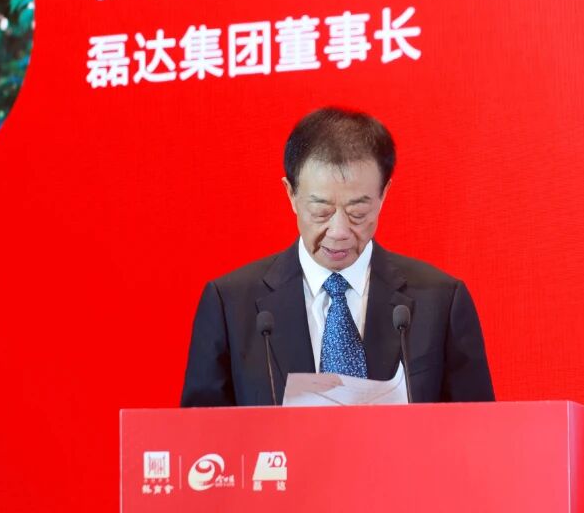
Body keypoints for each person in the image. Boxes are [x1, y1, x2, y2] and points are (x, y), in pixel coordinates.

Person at [180, 107, 494, 406]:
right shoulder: (231, 304)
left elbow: (479, 429)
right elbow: (201, 435)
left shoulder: (440, 301)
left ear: (383, 194)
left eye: (358, 212)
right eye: (321, 211)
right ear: (291, 194)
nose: (339, 231)